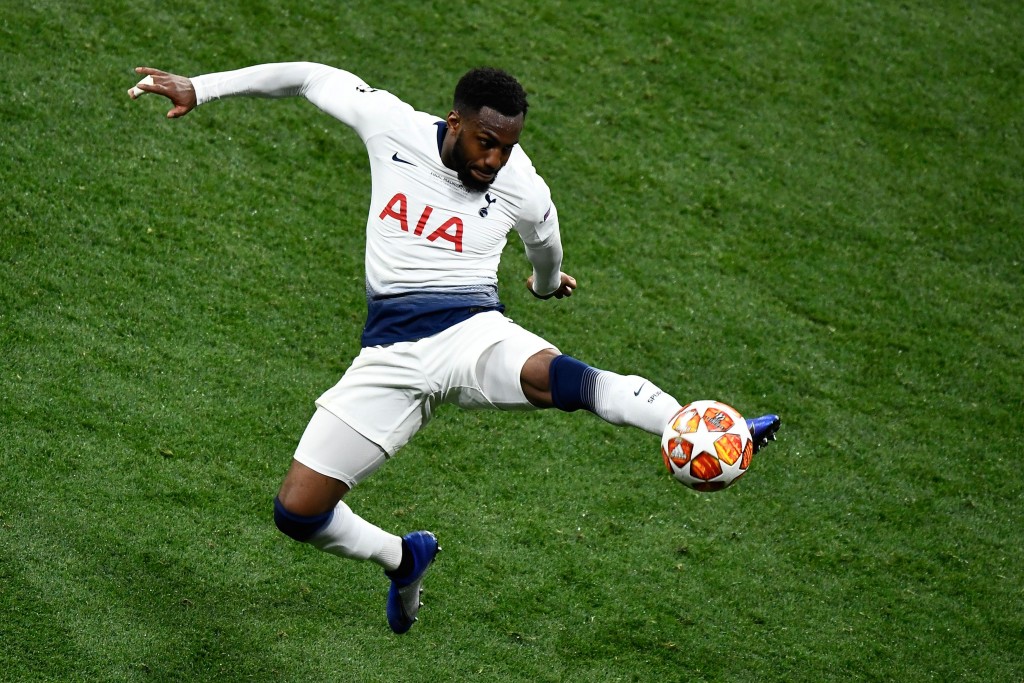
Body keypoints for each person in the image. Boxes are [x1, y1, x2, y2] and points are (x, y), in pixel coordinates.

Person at [128, 62, 780, 634]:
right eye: (485, 142)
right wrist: (201, 88)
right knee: (297, 513)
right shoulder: (391, 127)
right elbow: (309, 77)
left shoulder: (521, 183)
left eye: (507, 147)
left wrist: (546, 285)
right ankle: (402, 558)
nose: (494, 161)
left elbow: (546, 242)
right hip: (388, 356)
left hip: (473, 334)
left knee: (561, 378)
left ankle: (696, 426)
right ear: (455, 122)